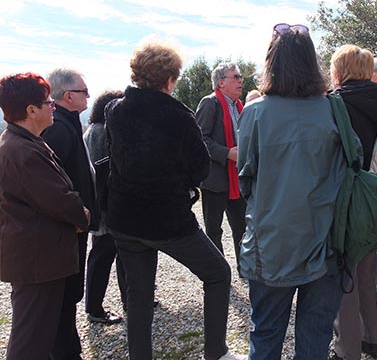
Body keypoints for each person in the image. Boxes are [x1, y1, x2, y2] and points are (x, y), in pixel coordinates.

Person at [105, 41, 243, 360]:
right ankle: (216, 351)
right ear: (170, 78)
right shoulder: (178, 115)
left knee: (139, 293)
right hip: (166, 219)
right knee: (218, 273)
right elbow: (199, 168)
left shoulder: (115, 109)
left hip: (123, 218)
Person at [237, 23, 347, 360]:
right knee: (315, 339)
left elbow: (246, 181)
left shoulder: (255, 113)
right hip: (326, 241)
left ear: (271, 63)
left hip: (271, 242)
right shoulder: (334, 109)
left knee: (266, 333)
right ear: (313, 62)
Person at [0, 72, 89, 360]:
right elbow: (58, 200)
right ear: (31, 110)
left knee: (39, 333)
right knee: (31, 339)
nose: (53, 106)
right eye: (48, 102)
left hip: (36, 256)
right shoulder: (22, 151)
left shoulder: (21, 142)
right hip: (37, 258)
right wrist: (82, 214)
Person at [331, 44, 377, 360]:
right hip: (376, 195)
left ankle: (347, 349)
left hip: (344, 198)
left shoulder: (335, 104)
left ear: (340, 71)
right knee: (367, 273)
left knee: (344, 276)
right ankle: (372, 340)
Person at [42, 68, 97, 358]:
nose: (88, 96)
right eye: (83, 91)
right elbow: (51, 185)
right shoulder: (59, 129)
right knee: (63, 297)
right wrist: (75, 214)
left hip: (74, 224)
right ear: (68, 96)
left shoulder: (68, 124)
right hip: (67, 228)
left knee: (70, 294)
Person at [195, 62, 247, 272]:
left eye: (240, 76)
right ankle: (218, 274)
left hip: (238, 179)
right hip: (215, 181)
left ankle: (245, 269)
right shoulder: (210, 103)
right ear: (221, 82)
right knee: (214, 231)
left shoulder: (239, 106)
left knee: (242, 228)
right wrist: (227, 153)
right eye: (235, 77)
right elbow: (200, 139)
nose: (240, 80)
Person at [83, 90, 127, 323]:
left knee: (121, 254)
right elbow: (103, 173)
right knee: (102, 257)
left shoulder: (96, 129)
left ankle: (130, 298)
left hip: (107, 207)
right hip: (106, 209)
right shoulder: (100, 131)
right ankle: (94, 309)